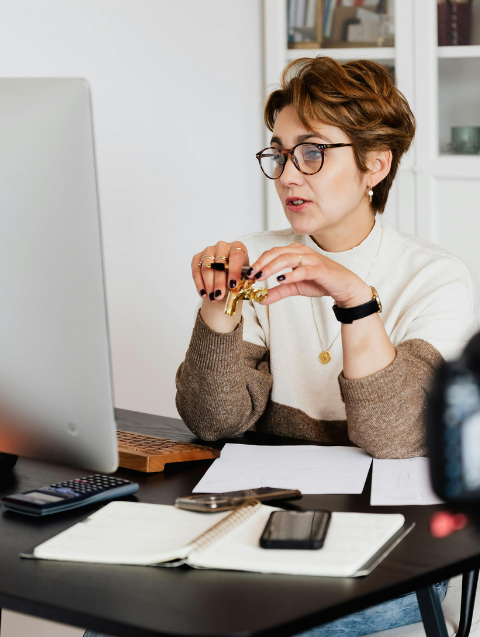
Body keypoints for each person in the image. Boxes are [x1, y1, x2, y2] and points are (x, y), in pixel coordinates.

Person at [174, 57, 477, 636]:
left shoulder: (436, 277)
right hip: (270, 523)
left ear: (374, 165)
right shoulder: (257, 259)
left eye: (312, 152)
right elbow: (214, 420)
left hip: (401, 548)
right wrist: (218, 310)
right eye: (280, 153)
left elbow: (395, 438)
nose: (289, 175)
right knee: (129, 616)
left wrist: (354, 299)